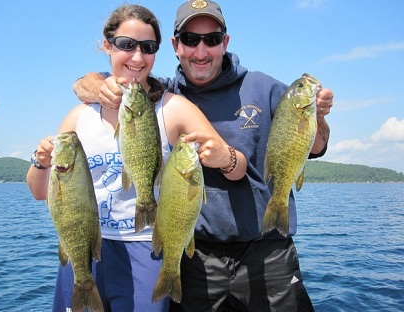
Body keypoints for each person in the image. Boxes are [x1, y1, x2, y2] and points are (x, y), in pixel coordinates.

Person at [73, 1, 334, 311]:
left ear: (225, 42)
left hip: (268, 251)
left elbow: (315, 146)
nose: (200, 51)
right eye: (189, 39)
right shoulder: (166, 94)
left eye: (211, 40)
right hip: (195, 255)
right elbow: (95, 81)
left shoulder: (264, 87)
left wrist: (317, 116)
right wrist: (96, 85)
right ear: (175, 45)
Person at [27, 4, 246, 312]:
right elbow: (39, 192)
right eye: (126, 45)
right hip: (85, 246)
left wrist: (227, 158)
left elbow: (236, 169)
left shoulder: (174, 108)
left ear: (158, 52)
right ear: (107, 45)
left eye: (148, 47)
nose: (137, 57)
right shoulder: (79, 116)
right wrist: (41, 160)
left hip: (145, 247)